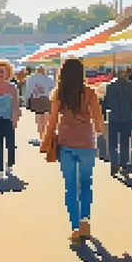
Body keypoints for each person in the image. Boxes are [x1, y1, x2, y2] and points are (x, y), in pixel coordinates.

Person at [44, 58, 106, 246]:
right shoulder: (90, 93)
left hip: (66, 144)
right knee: (86, 184)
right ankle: (85, 220)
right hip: (87, 144)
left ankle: (75, 229)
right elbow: (98, 122)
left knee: (70, 187)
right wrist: (98, 132)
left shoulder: (59, 94)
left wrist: (46, 141)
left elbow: (53, 121)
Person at [102, 69, 132, 178]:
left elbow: (106, 103)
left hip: (114, 117)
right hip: (128, 118)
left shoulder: (110, 87)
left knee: (113, 143)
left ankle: (114, 165)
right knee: (125, 143)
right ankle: (124, 165)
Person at [25, 66, 56, 146]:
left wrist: (27, 100)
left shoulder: (31, 78)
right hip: (46, 99)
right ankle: (47, 138)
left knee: (39, 120)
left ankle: (42, 138)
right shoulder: (48, 79)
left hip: (36, 100)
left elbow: (28, 90)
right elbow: (53, 88)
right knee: (47, 120)